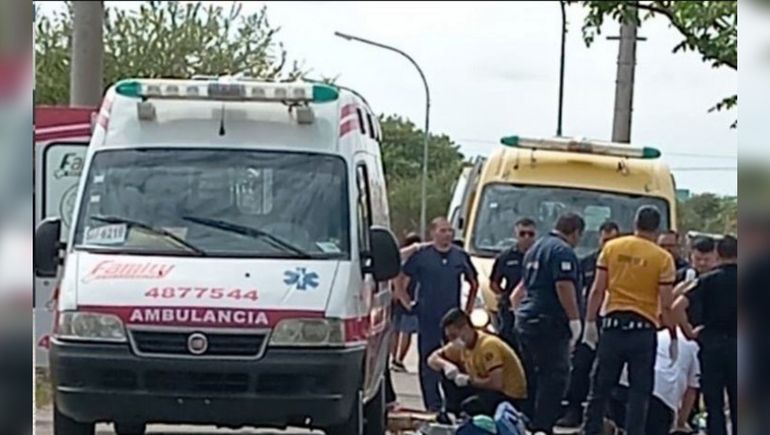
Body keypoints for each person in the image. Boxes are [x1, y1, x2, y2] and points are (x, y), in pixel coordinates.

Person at [582, 206, 677, 435]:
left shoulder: (612, 248)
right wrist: (673, 334)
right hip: (643, 331)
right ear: (657, 228)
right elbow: (666, 303)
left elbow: (597, 290)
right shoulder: (663, 259)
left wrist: (589, 323)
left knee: (600, 387)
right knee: (639, 391)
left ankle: (591, 429)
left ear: (635, 222)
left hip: (613, 326)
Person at [398, 217, 479, 412]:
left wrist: (467, 310)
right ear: (433, 233)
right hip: (428, 316)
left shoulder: (460, 256)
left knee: (454, 360)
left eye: (450, 231)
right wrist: (407, 303)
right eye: (443, 231)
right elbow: (400, 280)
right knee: (428, 362)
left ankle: (452, 404)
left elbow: (474, 283)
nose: (447, 235)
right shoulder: (422, 256)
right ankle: (432, 405)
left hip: (452, 319)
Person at [514, 213, 584, 434]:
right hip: (548, 322)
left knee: (533, 375)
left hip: (527, 321)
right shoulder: (562, 251)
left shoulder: (535, 248)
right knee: (554, 377)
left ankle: (529, 421)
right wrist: (575, 320)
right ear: (575, 232)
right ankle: (543, 427)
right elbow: (564, 286)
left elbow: (520, 290)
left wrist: (519, 314)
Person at [672, 235, 737, 435]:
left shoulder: (706, 280)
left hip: (711, 345)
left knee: (713, 403)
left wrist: (689, 332)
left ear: (717, 254)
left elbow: (676, 307)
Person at [557, 221, 620, 428]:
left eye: (613, 240)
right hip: (588, 322)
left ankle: (608, 416)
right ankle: (574, 409)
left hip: (612, 324)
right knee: (580, 366)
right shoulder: (585, 263)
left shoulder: (623, 264)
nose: (608, 244)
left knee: (608, 372)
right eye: (605, 240)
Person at [428, 308, 527, 417]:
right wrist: (446, 365)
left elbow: (496, 384)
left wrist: (469, 381)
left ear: (465, 328)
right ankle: (451, 415)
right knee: (448, 380)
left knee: (471, 405)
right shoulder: (462, 345)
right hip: (484, 388)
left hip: (508, 395)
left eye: (453, 336)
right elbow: (432, 359)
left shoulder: (488, 345)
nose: (452, 341)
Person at [609, 328, 700, 435]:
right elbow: (691, 391)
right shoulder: (693, 347)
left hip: (624, 390)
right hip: (661, 401)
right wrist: (680, 423)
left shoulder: (653, 334)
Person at [489, 217, 537, 354]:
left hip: (534, 308)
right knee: (509, 344)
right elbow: (494, 282)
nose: (526, 237)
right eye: (522, 234)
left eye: (530, 234)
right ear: (516, 235)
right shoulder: (506, 257)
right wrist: (503, 295)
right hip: (510, 310)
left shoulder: (540, 255)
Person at [391, 233, 423, 372]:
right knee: (406, 332)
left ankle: (394, 358)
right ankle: (399, 360)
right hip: (407, 299)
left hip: (394, 299)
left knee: (395, 330)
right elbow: (405, 282)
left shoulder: (399, 259)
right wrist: (407, 301)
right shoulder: (415, 262)